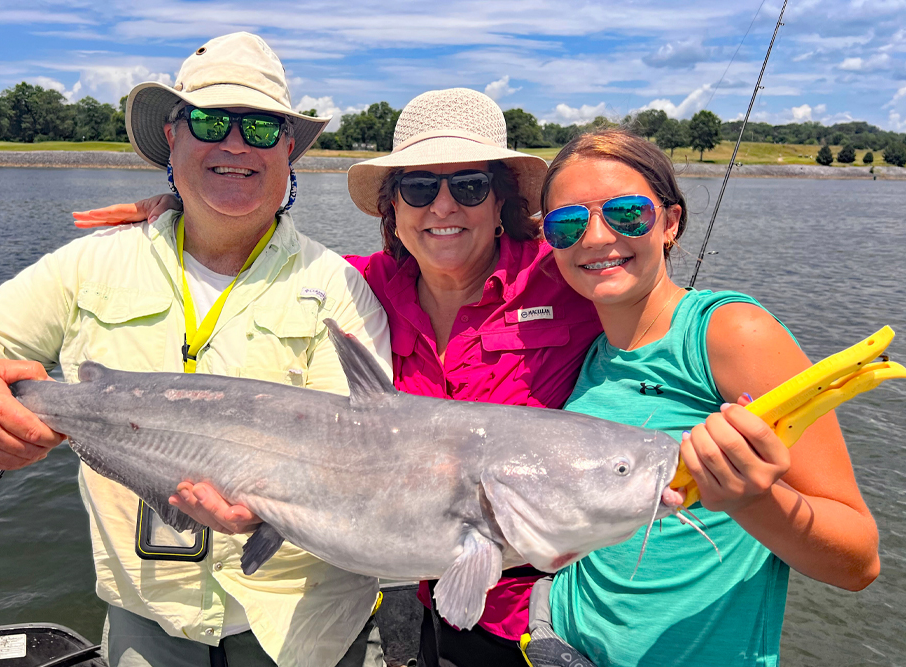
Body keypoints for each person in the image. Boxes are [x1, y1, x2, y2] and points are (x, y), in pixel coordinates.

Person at [0, 32, 392, 667]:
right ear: (173, 135)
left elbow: (362, 456)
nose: (236, 144)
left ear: (290, 151)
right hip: (146, 621)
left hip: (308, 627)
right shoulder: (88, 265)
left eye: (263, 128)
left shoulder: (339, 287)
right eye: (211, 121)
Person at [72, 88, 604, 667]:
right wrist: (185, 215)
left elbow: (654, 306)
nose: (443, 207)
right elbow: (250, 262)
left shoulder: (567, 283)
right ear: (392, 207)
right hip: (420, 594)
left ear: (501, 200)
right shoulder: (355, 288)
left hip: (540, 608)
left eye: (470, 185)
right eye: (419, 188)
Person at [534, 128, 880, 666]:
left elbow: (858, 561)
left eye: (627, 214)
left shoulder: (730, 333)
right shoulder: (588, 354)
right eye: (567, 223)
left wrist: (753, 499)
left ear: (670, 222)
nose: (597, 237)